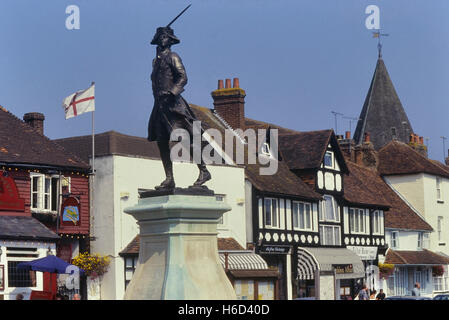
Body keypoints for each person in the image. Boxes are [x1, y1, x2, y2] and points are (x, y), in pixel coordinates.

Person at [148, 26, 211, 190]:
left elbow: (183, 77)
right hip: (159, 105)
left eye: (165, 37)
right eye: (160, 36)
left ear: (170, 40)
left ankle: (203, 171)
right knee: (162, 142)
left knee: (184, 139)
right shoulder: (155, 61)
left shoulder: (173, 57)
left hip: (173, 104)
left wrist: (172, 91)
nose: (162, 39)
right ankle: (169, 178)